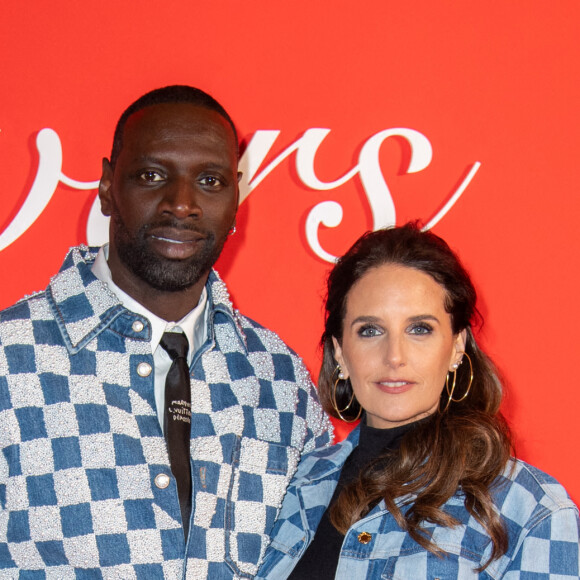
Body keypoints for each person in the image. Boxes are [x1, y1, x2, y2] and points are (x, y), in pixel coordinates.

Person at [0, 85, 332, 578]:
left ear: (236, 197)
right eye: (152, 175)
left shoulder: (279, 380)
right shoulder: (10, 361)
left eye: (210, 180)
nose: (182, 204)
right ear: (108, 186)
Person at [257, 223, 579, 579]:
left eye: (420, 329)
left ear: (457, 346)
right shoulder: (290, 483)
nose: (395, 356)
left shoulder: (531, 508)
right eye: (370, 330)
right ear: (340, 352)